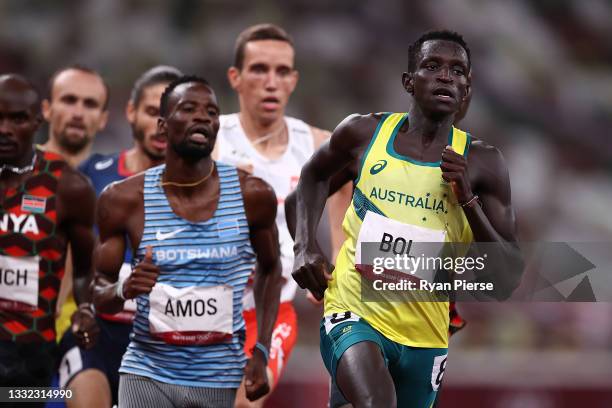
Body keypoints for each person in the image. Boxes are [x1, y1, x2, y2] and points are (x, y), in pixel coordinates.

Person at [290, 30, 524, 408]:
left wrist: (468, 200)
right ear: (408, 81)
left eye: (458, 71)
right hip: (354, 310)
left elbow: (505, 276)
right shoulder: (363, 133)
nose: (446, 76)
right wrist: (304, 247)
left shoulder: (484, 163)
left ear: (467, 89)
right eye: (432, 66)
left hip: (426, 334)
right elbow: (311, 178)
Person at [93, 76, 282, 407]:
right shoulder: (123, 199)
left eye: (211, 112)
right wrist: (125, 289)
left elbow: (271, 268)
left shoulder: (253, 195)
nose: (202, 117)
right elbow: (98, 295)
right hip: (146, 373)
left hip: (219, 378)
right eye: (189, 109)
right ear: (163, 127)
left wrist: (262, 350)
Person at [214, 23, 351, 407]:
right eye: (259, 69)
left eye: (281, 71)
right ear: (236, 78)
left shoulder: (318, 144)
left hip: (268, 315)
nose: (271, 81)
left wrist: (337, 265)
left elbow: (344, 187)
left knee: (244, 402)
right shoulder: (210, 139)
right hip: (203, 309)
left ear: (293, 80)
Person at [56, 65, 182, 408]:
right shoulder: (89, 178)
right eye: (153, 111)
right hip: (95, 334)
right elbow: (63, 264)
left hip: (164, 345)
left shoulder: (201, 195)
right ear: (131, 112)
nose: (161, 124)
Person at [0, 74, 98, 405]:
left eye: (17, 119)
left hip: (29, 352)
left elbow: (86, 270)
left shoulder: (69, 186)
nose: (5, 129)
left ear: (38, 121)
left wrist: (86, 309)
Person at [40, 65, 109, 341]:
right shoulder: (12, 174)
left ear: (103, 119)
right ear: (46, 109)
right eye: (69, 100)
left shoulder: (115, 188)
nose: (78, 113)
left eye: (90, 104)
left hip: (78, 334)